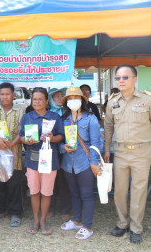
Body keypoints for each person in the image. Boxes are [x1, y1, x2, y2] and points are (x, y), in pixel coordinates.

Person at [104, 64, 151, 244]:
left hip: (142, 151)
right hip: (121, 151)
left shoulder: (147, 100)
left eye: (125, 77)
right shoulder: (112, 101)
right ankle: (122, 223)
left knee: (138, 191)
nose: (121, 81)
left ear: (135, 79)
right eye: (118, 78)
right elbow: (108, 127)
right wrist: (107, 149)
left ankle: (136, 228)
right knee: (120, 191)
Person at [19, 87, 63, 236]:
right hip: (33, 158)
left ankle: (43, 221)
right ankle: (35, 220)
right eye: (34, 99)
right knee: (34, 191)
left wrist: (52, 138)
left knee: (46, 192)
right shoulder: (27, 117)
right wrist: (27, 140)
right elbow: (21, 137)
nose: (37, 102)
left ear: (46, 101)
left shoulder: (54, 117)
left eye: (40, 99)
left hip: (49, 158)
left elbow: (61, 137)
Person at [59, 87, 101, 240]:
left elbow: (96, 142)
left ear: (82, 100)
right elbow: (59, 141)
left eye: (76, 97)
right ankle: (77, 221)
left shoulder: (91, 118)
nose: (73, 100)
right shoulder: (63, 120)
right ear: (66, 102)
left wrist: (94, 162)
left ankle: (87, 227)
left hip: (85, 163)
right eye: (70, 98)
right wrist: (62, 148)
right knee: (74, 193)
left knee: (86, 195)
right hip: (68, 163)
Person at [0, 82, 24, 227]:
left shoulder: (21, 111)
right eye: (2, 94)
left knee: (14, 184)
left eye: (8, 94)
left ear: (13, 96)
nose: (5, 97)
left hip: (14, 154)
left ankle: (15, 213)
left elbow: (24, 131)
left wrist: (13, 143)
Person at [47, 88, 71, 220]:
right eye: (56, 96)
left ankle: (65, 209)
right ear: (51, 99)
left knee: (64, 181)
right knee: (50, 182)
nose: (59, 99)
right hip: (51, 151)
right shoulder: (48, 114)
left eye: (62, 96)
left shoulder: (68, 113)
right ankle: (50, 208)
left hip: (67, 152)